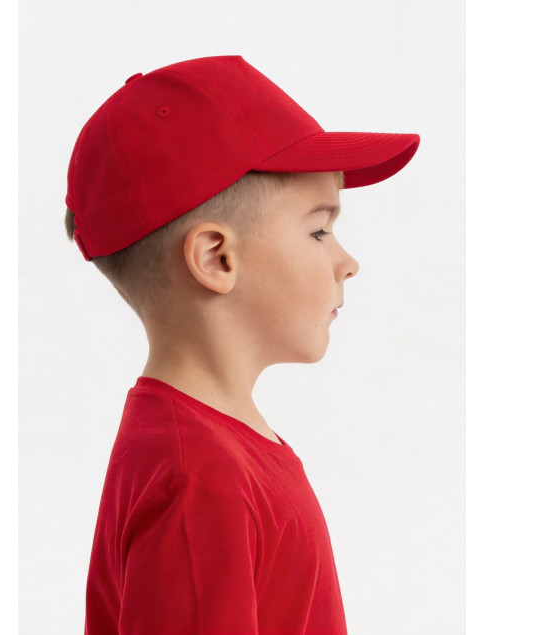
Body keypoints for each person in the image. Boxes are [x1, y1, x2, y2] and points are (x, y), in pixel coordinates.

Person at [64, 55, 419, 634]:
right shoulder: (198, 480)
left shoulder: (214, 450)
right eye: (319, 230)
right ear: (216, 258)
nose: (348, 262)